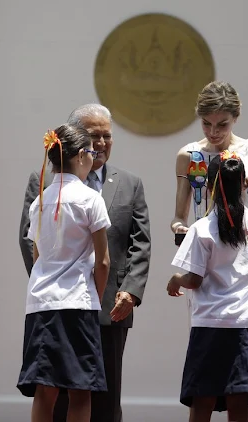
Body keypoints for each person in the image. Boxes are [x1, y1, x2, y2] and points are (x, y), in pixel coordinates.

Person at [19, 104, 151, 422]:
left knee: (95, 396)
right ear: (80, 147)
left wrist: (129, 291)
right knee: (75, 392)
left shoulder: (129, 183)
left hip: (102, 306)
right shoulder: (44, 184)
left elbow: (140, 241)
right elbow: (30, 242)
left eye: (107, 136)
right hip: (81, 301)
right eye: (94, 138)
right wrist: (87, 291)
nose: (101, 145)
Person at [167, 152, 248, 422]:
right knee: (239, 402)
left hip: (209, 322)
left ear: (208, 186)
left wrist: (175, 280)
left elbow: (193, 279)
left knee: (202, 400)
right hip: (245, 323)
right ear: (244, 183)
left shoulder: (202, 228)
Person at [17, 124, 111, 422]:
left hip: (41, 303)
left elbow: (36, 253)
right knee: (80, 390)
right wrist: (94, 295)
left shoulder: (38, 201)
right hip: (77, 302)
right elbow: (104, 261)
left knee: (46, 389)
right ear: (82, 155)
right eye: (92, 152)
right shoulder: (90, 198)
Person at [170, 81, 248, 310]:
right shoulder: (189, 155)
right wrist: (180, 228)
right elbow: (178, 217)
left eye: (222, 124)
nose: (213, 132)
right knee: (207, 335)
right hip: (206, 259)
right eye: (206, 124)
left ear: (236, 117)